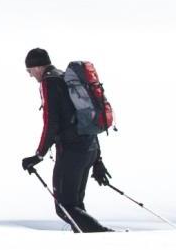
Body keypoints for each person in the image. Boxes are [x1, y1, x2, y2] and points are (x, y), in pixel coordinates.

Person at [19, 48, 111, 233]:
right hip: (88, 149)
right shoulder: (66, 79)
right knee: (75, 205)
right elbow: (86, 121)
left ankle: (105, 236)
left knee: (64, 207)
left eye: (29, 70)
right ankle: (91, 244)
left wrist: (39, 155)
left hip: (71, 151)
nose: (29, 75)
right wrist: (97, 160)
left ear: (37, 67)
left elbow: (50, 122)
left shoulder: (49, 82)